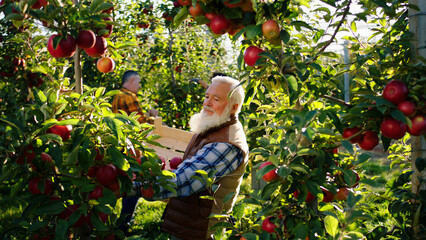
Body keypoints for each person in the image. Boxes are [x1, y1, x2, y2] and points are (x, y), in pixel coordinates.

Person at [133, 75, 248, 240]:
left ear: (233, 107)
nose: (207, 102)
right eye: (207, 96)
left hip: (201, 231)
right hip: (189, 223)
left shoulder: (227, 144)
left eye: (216, 99)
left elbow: (182, 182)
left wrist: (130, 187)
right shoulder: (212, 127)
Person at [112, 70, 158, 234]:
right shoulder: (130, 97)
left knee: (122, 184)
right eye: (138, 82)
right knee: (134, 186)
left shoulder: (116, 96)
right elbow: (141, 125)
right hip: (132, 147)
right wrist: (154, 117)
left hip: (120, 145)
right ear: (131, 80)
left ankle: (116, 224)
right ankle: (123, 225)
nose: (139, 86)